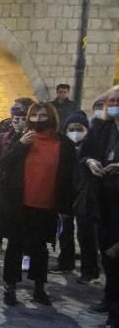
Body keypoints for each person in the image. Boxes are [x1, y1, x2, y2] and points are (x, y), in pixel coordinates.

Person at [0, 102, 75, 306]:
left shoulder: (63, 143)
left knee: (40, 248)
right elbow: (5, 163)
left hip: (47, 204)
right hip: (19, 203)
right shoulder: (23, 139)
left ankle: (39, 287)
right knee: (14, 246)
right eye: (35, 115)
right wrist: (21, 144)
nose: (38, 120)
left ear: (51, 117)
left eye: (43, 116)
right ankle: (10, 286)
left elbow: (69, 174)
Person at [0, 100, 33, 269]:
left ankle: (26, 253)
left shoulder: (32, 138)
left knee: (25, 222)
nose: (18, 123)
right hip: (3, 186)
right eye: (15, 119)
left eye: (23, 119)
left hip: (25, 186)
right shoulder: (2, 138)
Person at [81, 86, 119, 319]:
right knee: (107, 253)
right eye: (110, 101)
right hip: (105, 201)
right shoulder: (104, 129)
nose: (113, 104)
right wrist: (90, 162)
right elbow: (85, 154)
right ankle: (110, 297)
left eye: (117, 100)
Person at [57, 111, 99, 282]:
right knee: (64, 230)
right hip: (67, 194)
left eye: (79, 128)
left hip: (86, 195)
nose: (75, 132)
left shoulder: (93, 146)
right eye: (71, 128)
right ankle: (66, 262)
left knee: (86, 233)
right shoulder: (63, 145)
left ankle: (89, 270)